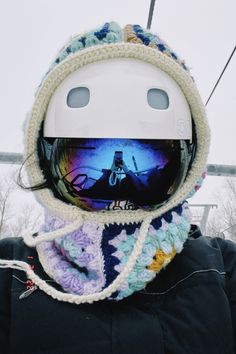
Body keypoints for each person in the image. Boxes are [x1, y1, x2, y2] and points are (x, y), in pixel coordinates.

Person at [0, 22, 235, 354]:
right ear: (44, 162)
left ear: (189, 170)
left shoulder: (223, 269)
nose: (118, 191)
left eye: (151, 170)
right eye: (86, 165)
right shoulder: (10, 270)